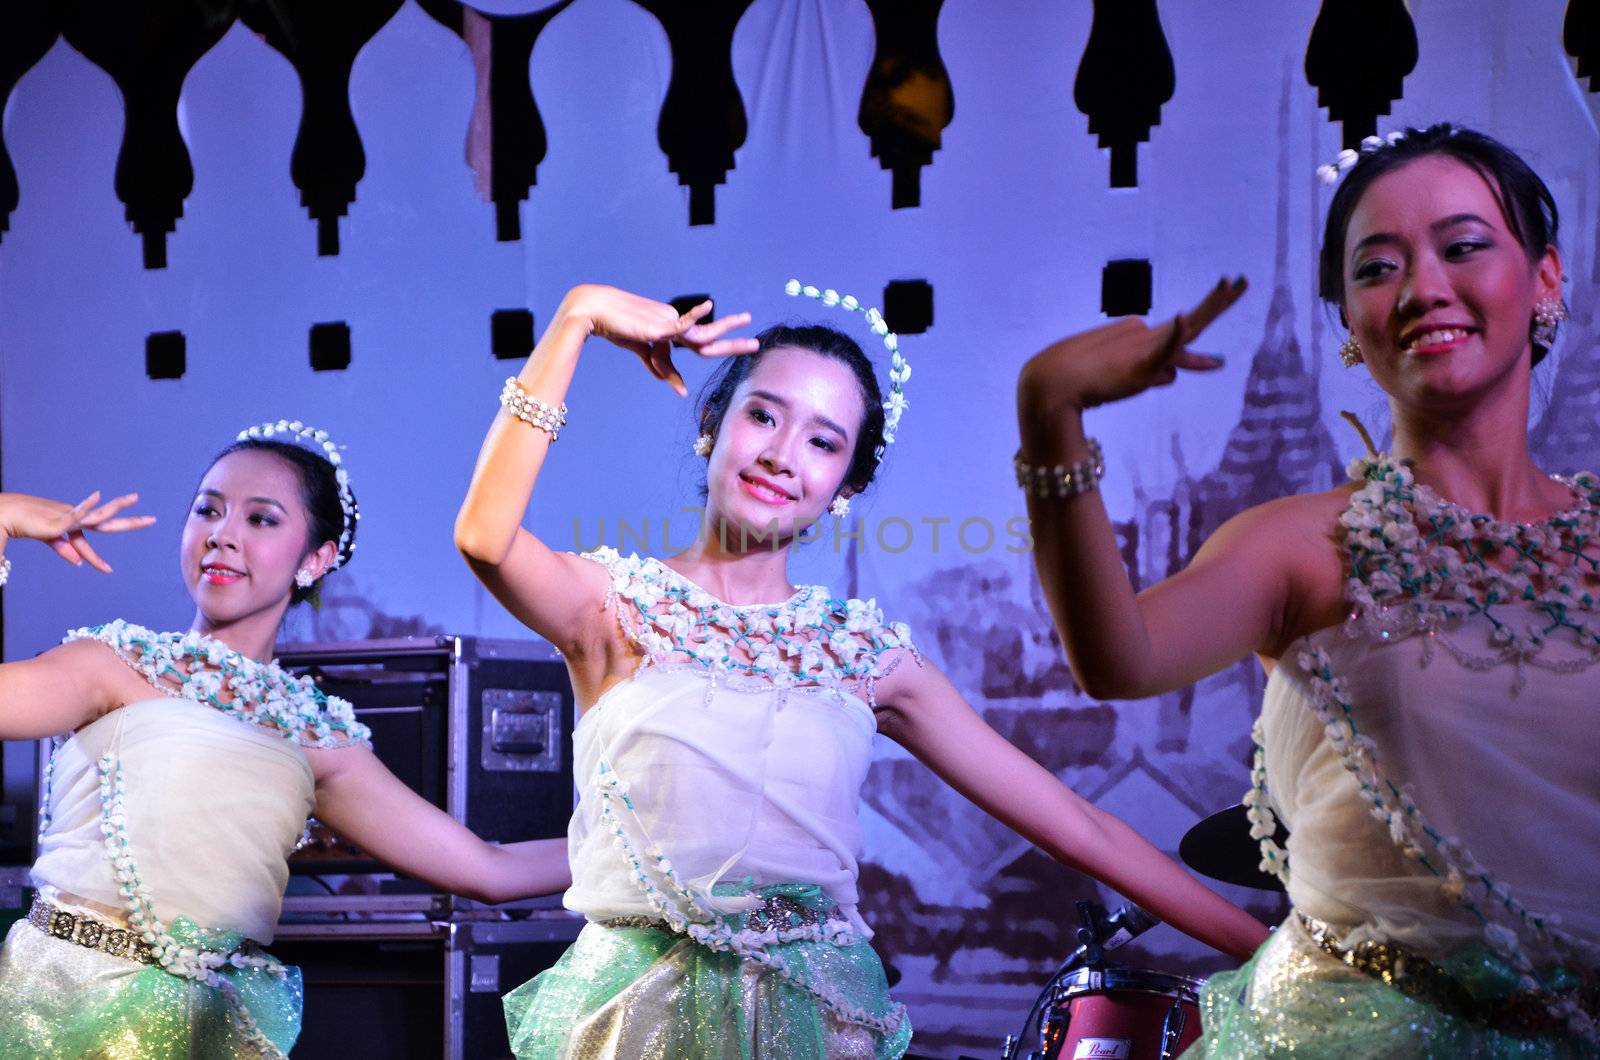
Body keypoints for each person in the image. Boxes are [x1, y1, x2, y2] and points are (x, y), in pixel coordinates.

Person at [454, 281, 1270, 1059]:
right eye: (762, 416)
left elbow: (1077, 827)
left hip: (816, 1018)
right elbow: (486, 538)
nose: (781, 454)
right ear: (713, 424)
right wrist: (578, 318)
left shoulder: (862, 653)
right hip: (635, 1020)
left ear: (845, 486)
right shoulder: (614, 609)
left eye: (822, 441)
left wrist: (1271, 949)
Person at [1015, 123, 1598, 1057]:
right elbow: (1118, 659)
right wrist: (1052, 415)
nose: (1421, 288)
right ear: (1350, 327)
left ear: (1545, 280)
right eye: (1377, 267)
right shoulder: (1306, 545)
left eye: (1462, 246)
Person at [0, 420, 568, 1059]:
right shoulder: (114, 663)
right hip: (61, 1006)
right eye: (207, 510)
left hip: (202, 1030)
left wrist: (657, 846)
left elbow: (487, 870)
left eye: (261, 519)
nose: (222, 534)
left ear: (315, 559)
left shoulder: (316, 733)